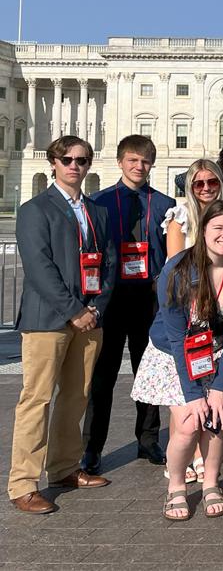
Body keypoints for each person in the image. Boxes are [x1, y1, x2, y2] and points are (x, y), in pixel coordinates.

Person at [8, 136, 115, 514]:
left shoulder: (96, 211)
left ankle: (65, 467)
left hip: (89, 319)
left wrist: (97, 309)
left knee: (76, 396)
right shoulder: (35, 209)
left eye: (82, 160)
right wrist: (74, 310)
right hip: (48, 319)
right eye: (67, 159)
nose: (75, 166)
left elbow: (109, 264)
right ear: (54, 162)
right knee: (36, 400)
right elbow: (39, 268)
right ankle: (23, 482)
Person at [130, 200, 223, 521]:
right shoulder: (177, 269)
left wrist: (221, 387)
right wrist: (195, 394)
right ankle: (177, 488)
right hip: (175, 355)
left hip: (218, 353)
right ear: (204, 229)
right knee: (187, 424)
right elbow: (176, 336)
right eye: (219, 228)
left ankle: (211, 483)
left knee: (215, 421)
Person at [82, 134, 174, 475]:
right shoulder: (101, 201)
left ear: (152, 164)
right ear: (121, 162)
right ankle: (92, 446)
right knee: (102, 376)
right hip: (112, 295)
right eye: (133, 160)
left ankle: (148, 438)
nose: (139, 167)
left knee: (147, 371)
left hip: (148, 297)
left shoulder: (163, 205)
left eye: (145, 161)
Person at [164, 159, 223, 257]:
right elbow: (174, 264)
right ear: (190, 187)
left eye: (212, 182)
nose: (206, 188)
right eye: (199, 184)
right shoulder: (181, 216)